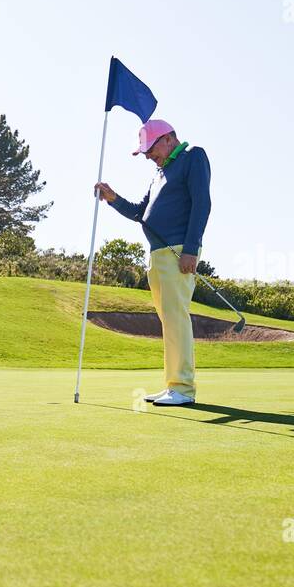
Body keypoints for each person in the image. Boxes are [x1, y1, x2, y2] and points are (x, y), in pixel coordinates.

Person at [95, 119, 211, 406]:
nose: (148, 155)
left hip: (178, 251)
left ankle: (183, 388)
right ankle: (173, 385)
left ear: (170, 139)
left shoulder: (192, 157)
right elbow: (140, 213)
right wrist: (112, 198)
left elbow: (202, 203)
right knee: (168, 322)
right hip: (157, 254)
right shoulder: (159, 174)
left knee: (176, 318)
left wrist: (192, 249)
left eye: (150, 148)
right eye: (144, 151)